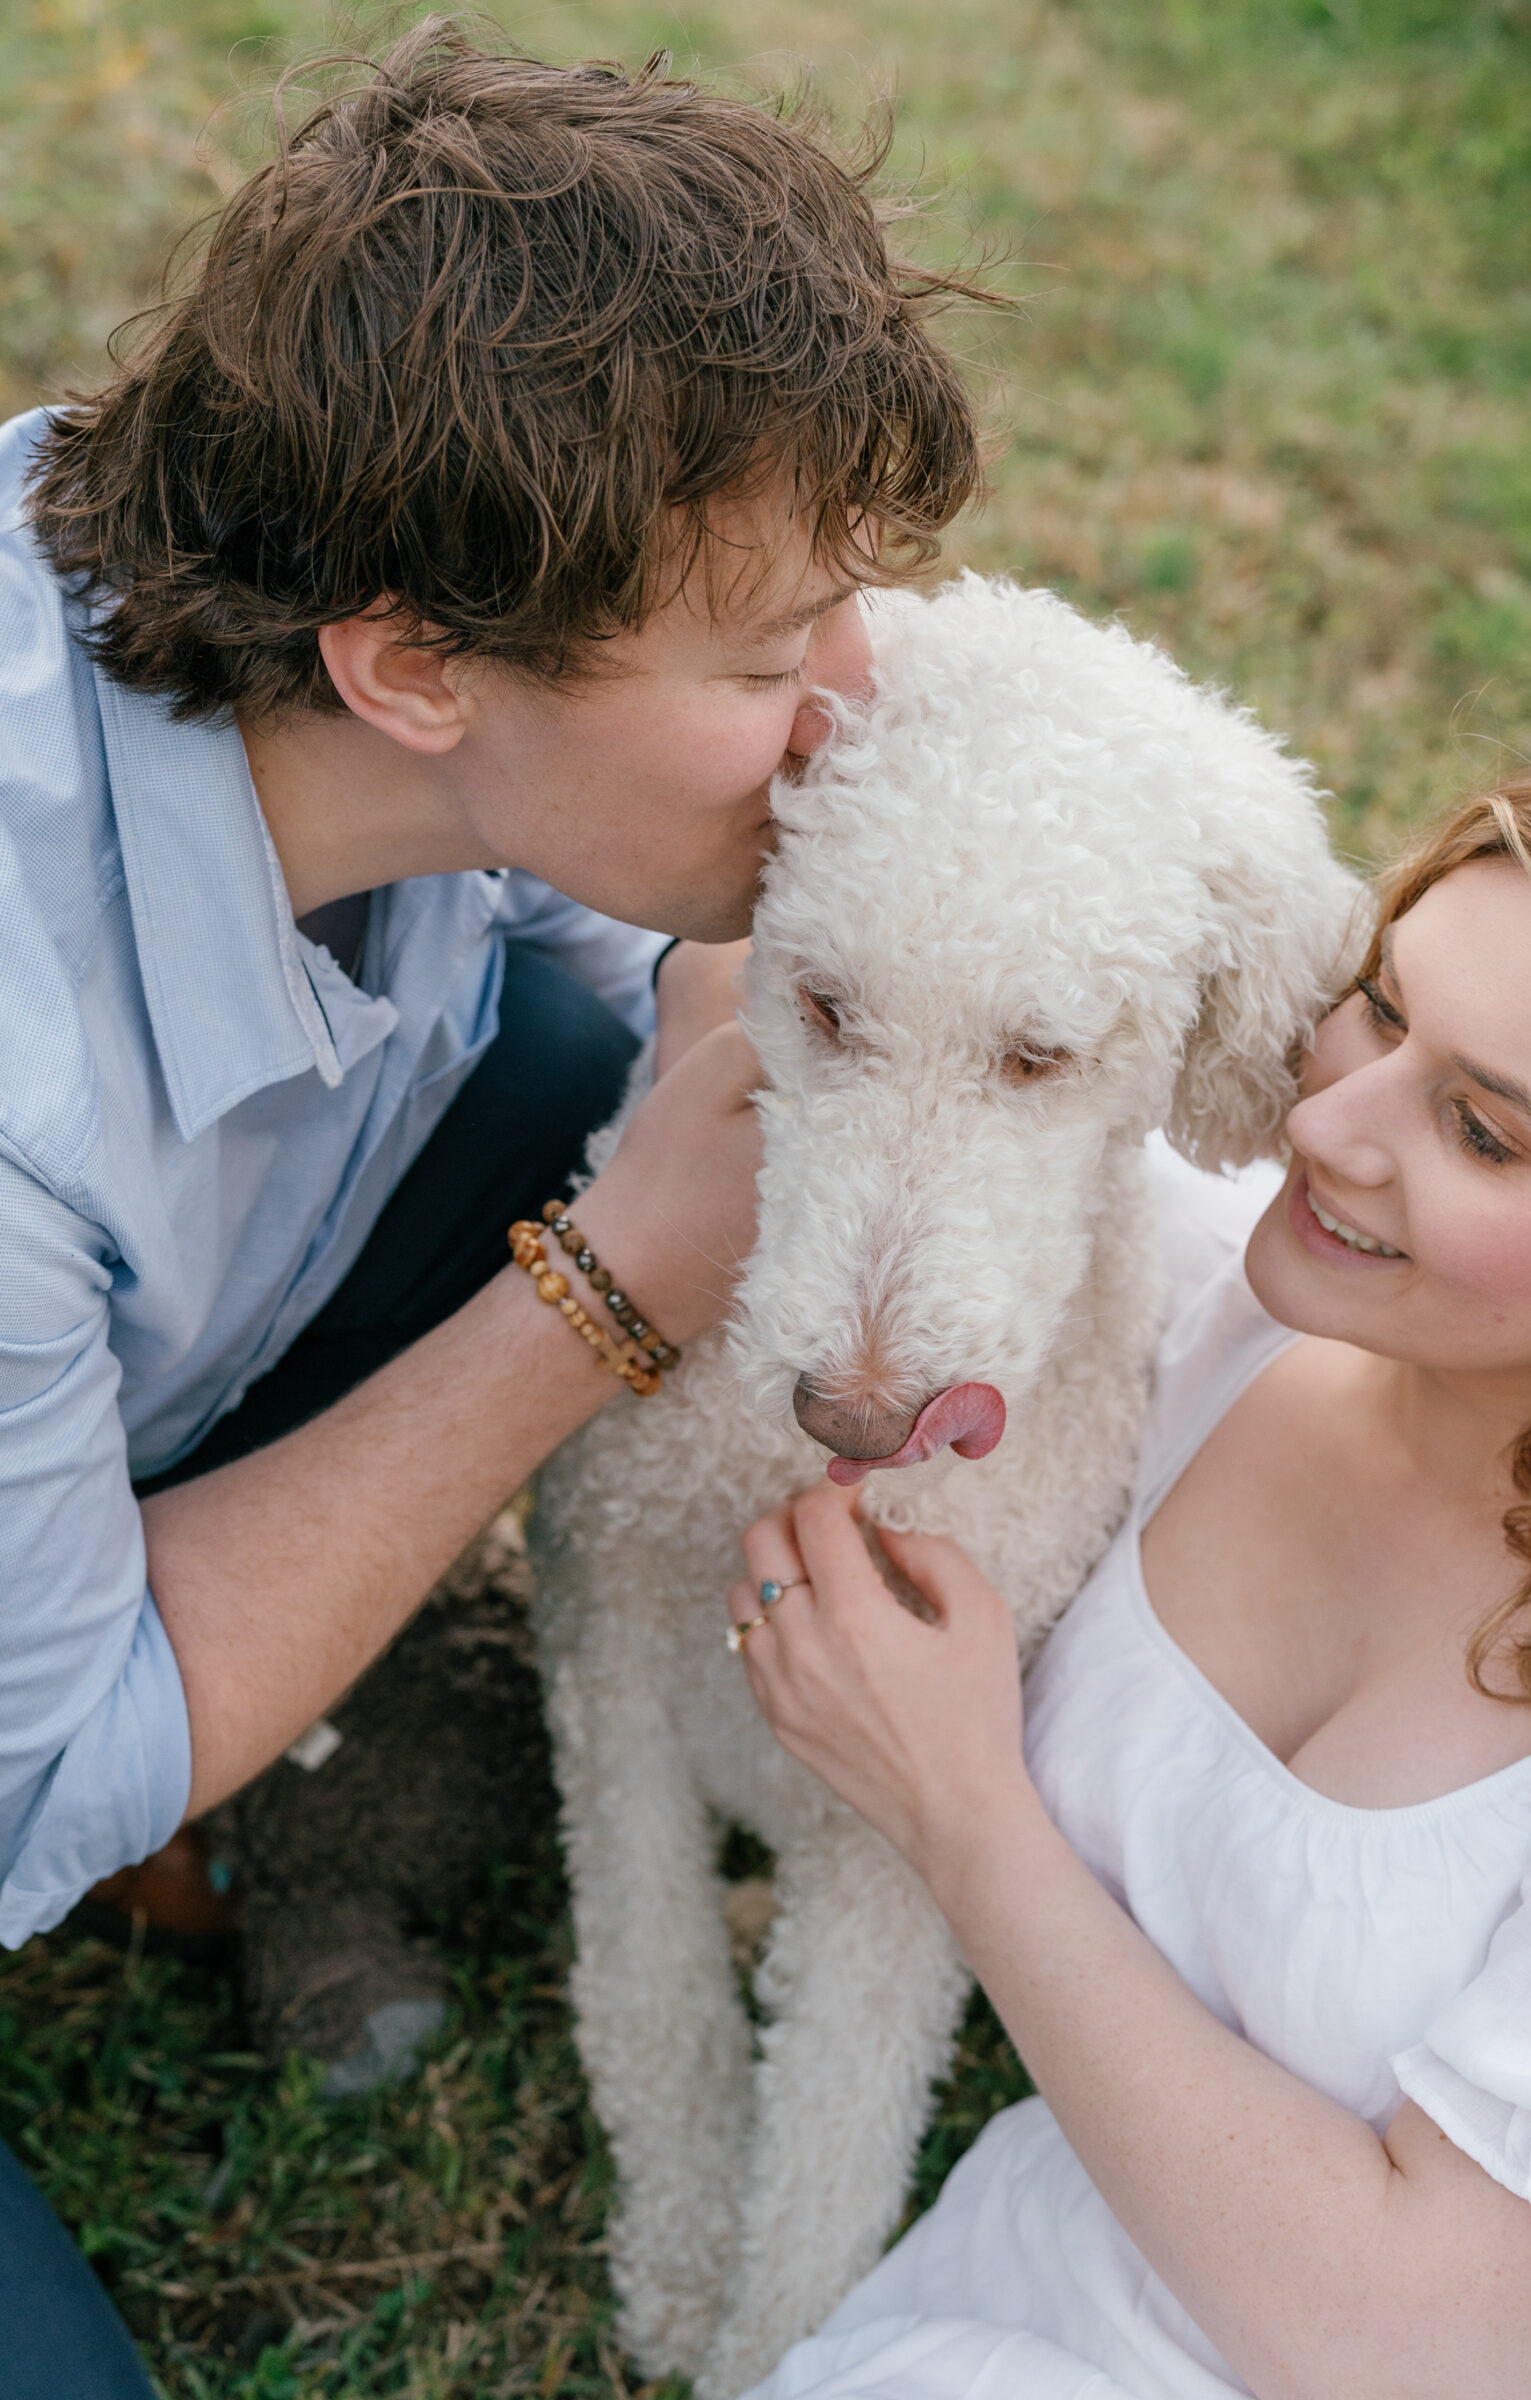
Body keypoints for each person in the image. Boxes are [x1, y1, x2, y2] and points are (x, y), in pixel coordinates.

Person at [0, 22, 985, 2393]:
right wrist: (612, 1281)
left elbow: (649, 972)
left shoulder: (282, 661)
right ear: (414, 667)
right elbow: (44, 1782)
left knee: (568, 1049)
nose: (865, 706)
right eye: (769, 658)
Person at [725, 730, 1531, 2400]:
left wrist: (964, 1811)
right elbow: (840, 980)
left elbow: (1414, 2348)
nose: (1333, 1118)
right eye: (1382, 1000)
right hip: (1079, 2280)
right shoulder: (1205, 1289)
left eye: (1485, 1132)